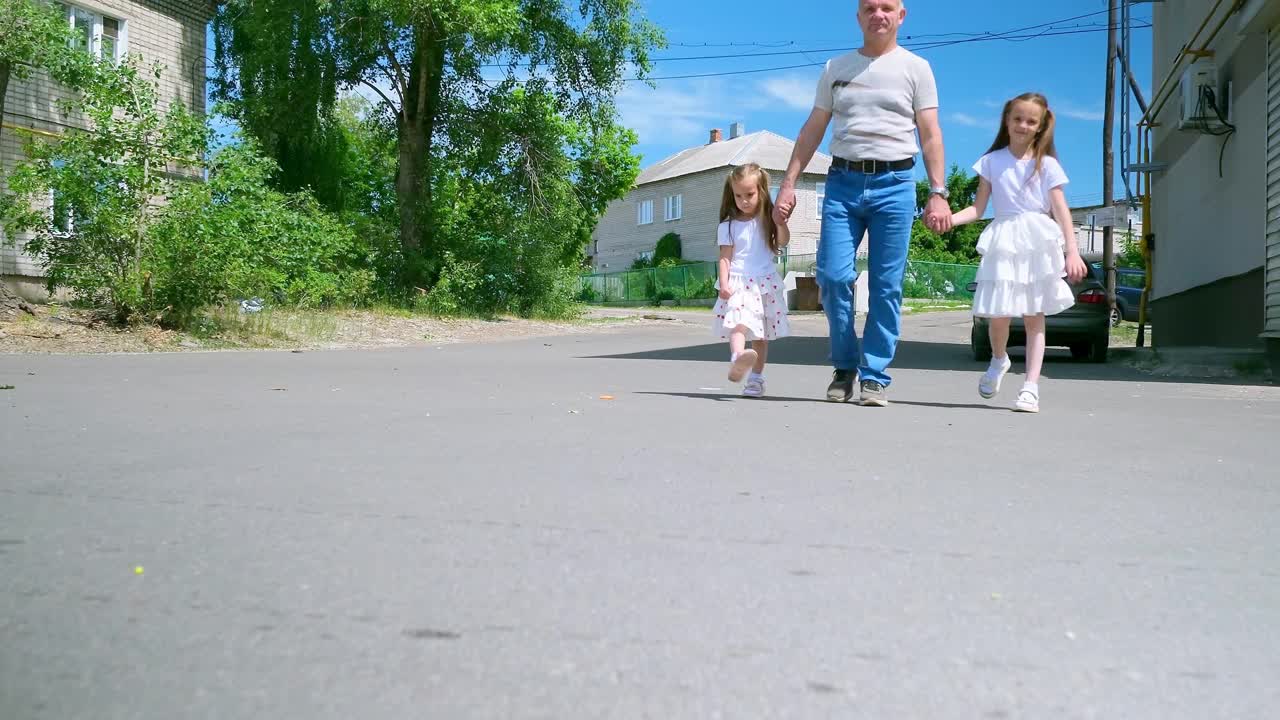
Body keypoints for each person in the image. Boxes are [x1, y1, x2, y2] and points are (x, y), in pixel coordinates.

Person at [773, 0, 951, 407]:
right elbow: (813, 127)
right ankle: (844, 366)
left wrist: (937, 192)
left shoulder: (916, 68)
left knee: (886, 286)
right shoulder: (836, 68)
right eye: (870, 7)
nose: (878, 14)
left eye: (887, 7)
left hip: (896, 183)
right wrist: (787, 185)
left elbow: (931, 133)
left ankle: (874, 376)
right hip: (842, 182)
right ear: (859, 17)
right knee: (833, 278)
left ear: (901, 16)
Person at [949, 92, 1087, 413]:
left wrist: (1072, 251)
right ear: (1007, 121)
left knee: (1034, 317)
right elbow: (977, 208)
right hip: (1004, 236)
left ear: (1039, 127)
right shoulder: (992, 161)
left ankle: (1031, 387)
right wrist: (949, 221)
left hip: (1038, 239)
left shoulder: (1048, 165)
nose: (1023, 125)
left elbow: (1061, 209)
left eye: (1030, 121)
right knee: (998, 315)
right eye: (1017, 119)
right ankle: (999, 360)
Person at [712, 163, 791, 398]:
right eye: (738, 195)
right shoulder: (727, 225)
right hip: (738, 281)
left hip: (762, 282)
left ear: (761, 192)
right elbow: (725, 258)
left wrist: (781, 221)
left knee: (760, 335)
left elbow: (784, 241)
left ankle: (755, 380)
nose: (744, 200)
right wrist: (723, 284)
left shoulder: (767, 220)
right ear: (731, 194)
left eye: (749, 195)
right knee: (738, 323)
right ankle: (738, 357)